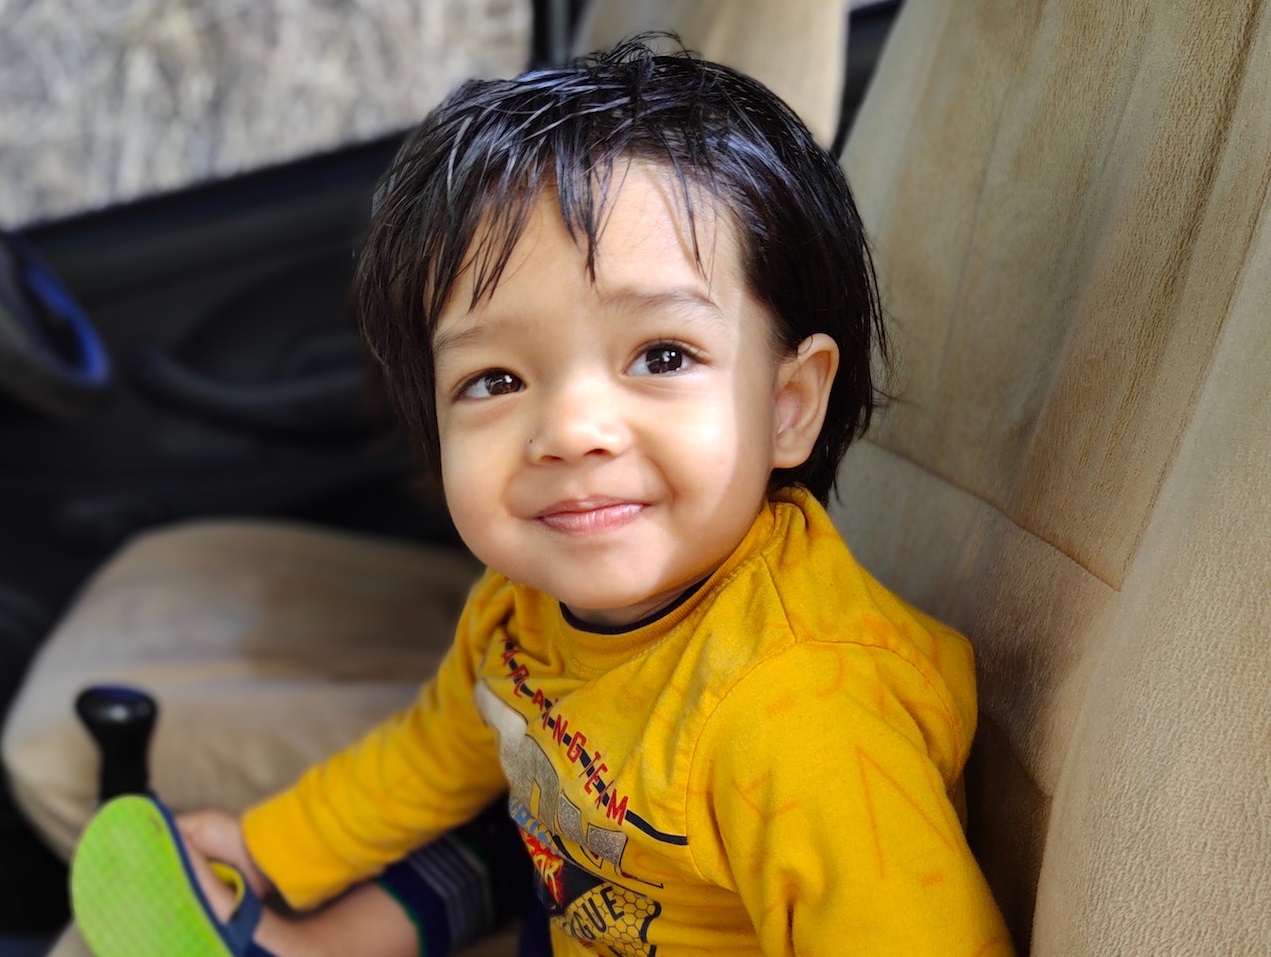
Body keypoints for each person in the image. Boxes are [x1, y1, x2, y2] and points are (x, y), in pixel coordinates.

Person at [70, 36, 1013, 957]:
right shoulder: (519, 610)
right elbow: (427, 756)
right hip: (578, 878)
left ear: (788, 405)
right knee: (495, 792)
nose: (570, 429)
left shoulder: (798, 728)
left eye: (661, 356)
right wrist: (269, 848)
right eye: (494, 380)